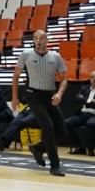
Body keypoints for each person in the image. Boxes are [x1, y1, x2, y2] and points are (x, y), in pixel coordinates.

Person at [10, 30, 68, 176]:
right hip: (33, 95)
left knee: (61, 131)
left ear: (46, 40)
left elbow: (64, 79)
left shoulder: (56, 56)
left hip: (50, 95)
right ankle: (54, 165)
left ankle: (37, 148)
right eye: (35, 38)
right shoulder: (26, 54)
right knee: (48, 127)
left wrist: (59, 93)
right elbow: (16, 76)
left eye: (41, 38)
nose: (38, 40)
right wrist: (15, 97)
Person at [65, 71, 95, 156]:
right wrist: (89, 101)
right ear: (90, 79)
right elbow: (77, 98)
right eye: (92, 77)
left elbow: (81, 99)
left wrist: (84, 100)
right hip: (83, 113)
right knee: (67, 123)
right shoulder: (84, 88)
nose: (94, 79)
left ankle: (90, 148)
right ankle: (79, 147)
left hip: (93, 114)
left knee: (91, 124)